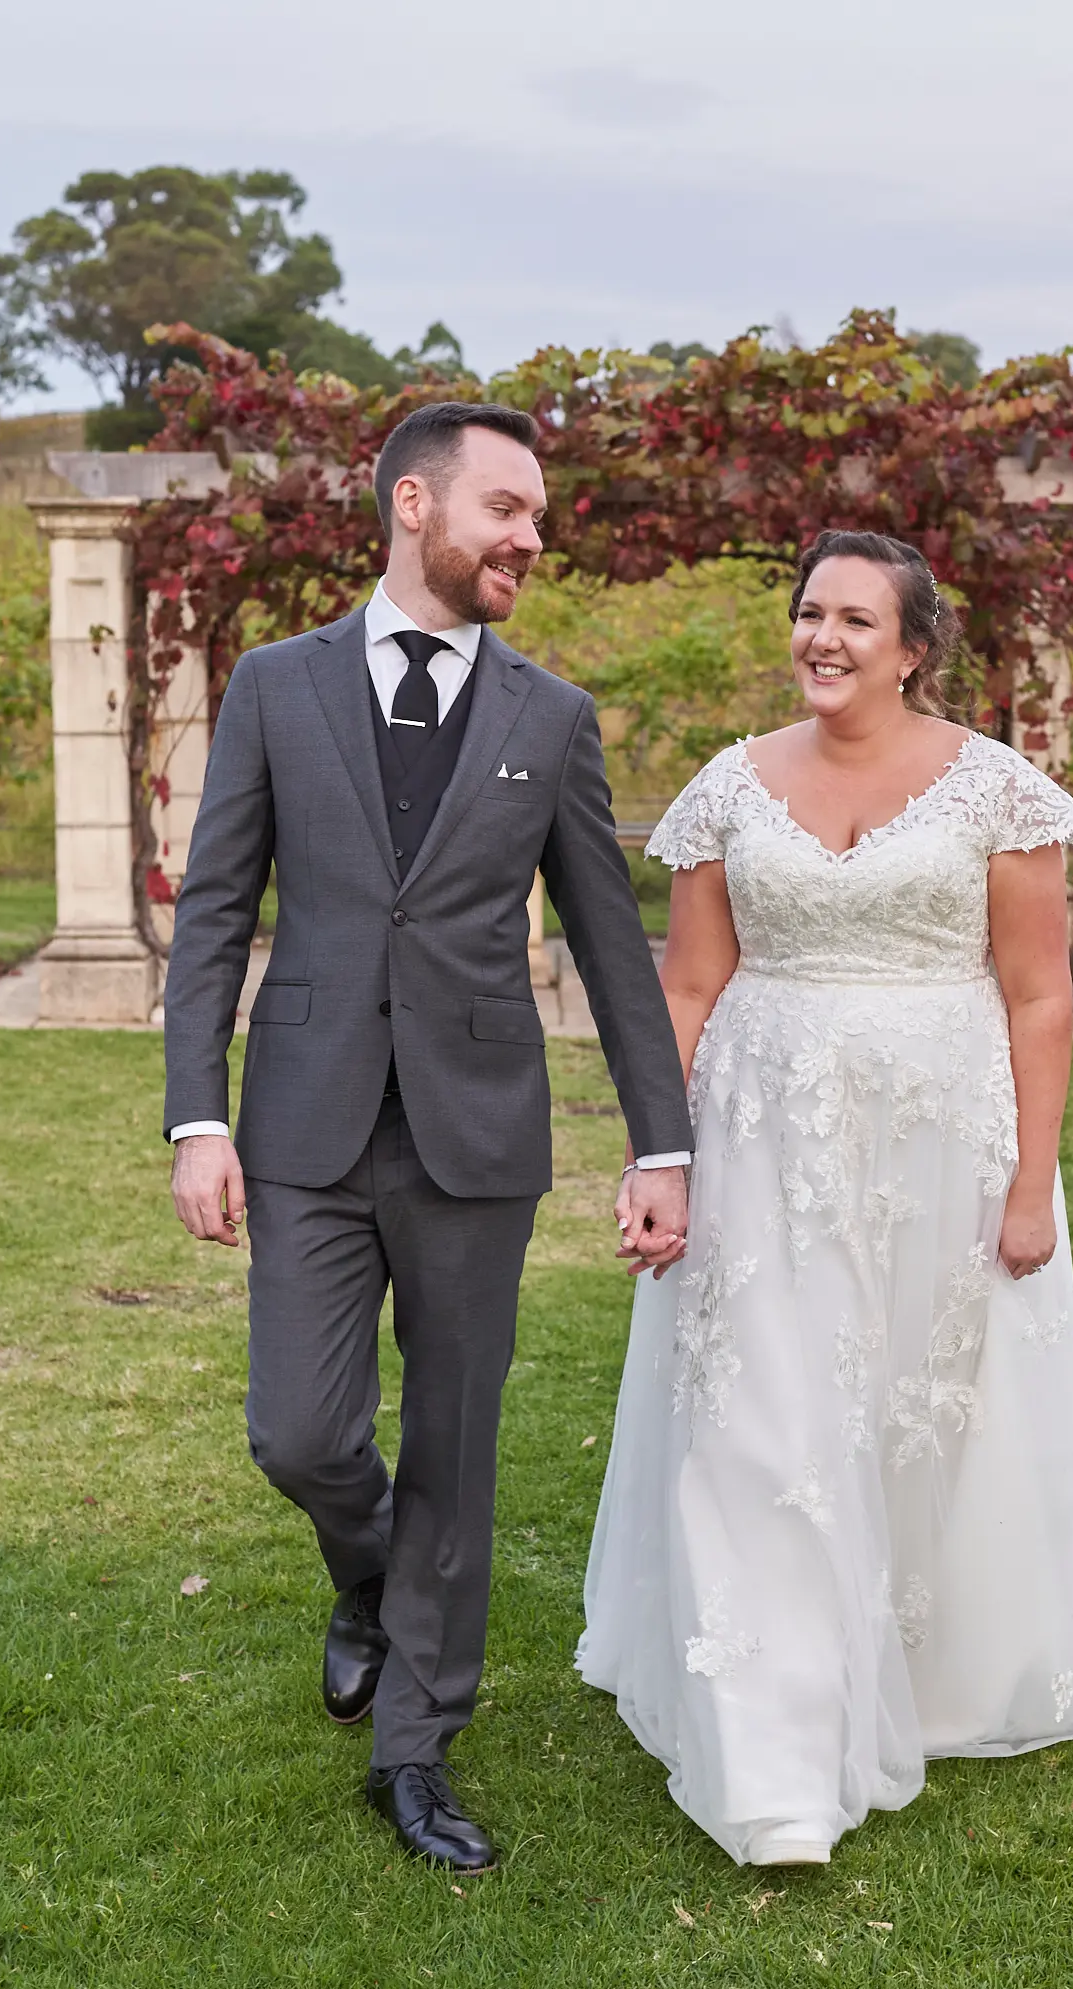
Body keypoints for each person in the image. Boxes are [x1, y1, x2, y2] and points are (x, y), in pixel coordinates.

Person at [578, 529, 1073, 1868]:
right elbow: (686, 988)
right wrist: (658, 1154)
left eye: (858, 620)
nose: (825, 638)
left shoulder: (998, 794)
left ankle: (928, 1674)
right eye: (811, 613)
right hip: (758, 1144)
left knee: (921, 1417)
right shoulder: (729, 788)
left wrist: (1032, 1190)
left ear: (914, 650)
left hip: (942, 1147)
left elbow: (1040, 997)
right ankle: (777, 1762)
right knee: (758, 1419)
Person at [163, 402, 693, 1872]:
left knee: (456, 1444)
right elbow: (216, 911)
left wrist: (665, 1144)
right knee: (304, 1431)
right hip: (305, 1125)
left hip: (478, 1136)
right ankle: (375, 1577)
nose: (531, 538)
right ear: (415, 504)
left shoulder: (552, 716)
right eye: (507, 509)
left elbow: (610, 939)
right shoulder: (276, 687)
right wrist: (198, 1113)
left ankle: (416, 1752)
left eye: (537, 517)